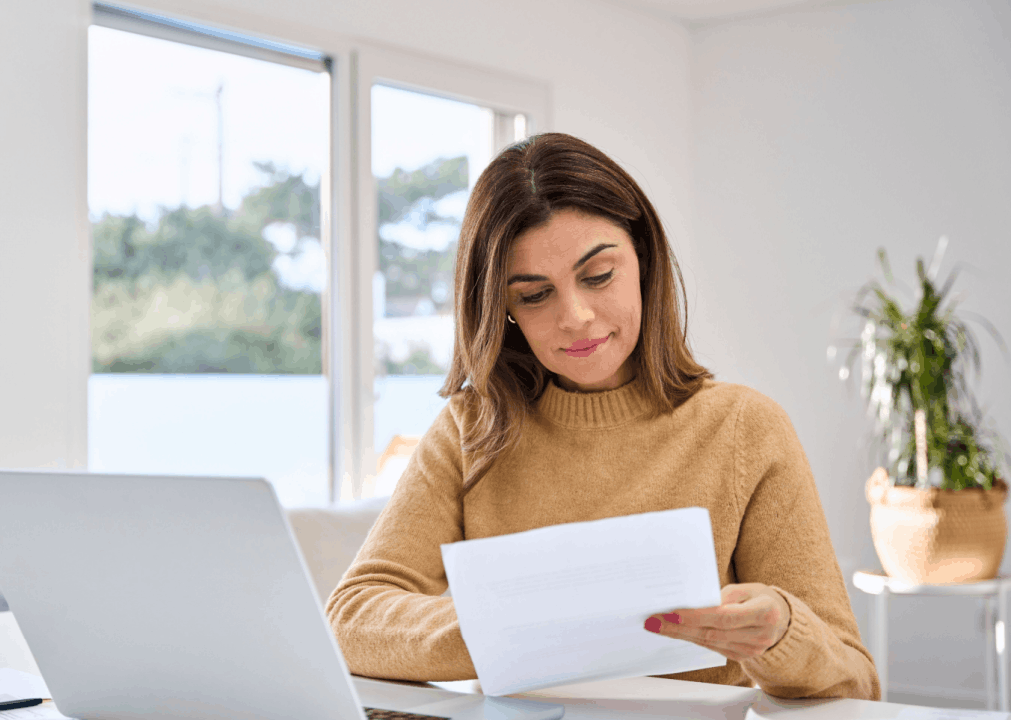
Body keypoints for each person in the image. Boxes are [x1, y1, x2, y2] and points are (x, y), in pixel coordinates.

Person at [324, 133, 878, 700]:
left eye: (598, 275)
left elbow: (856, 682)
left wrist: (780, 631)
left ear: (643, 259)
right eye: (535, 295)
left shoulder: (743, 428)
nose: (577, 316)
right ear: (503, 311)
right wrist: (514, 633)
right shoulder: (474, 428)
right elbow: (350, 618)